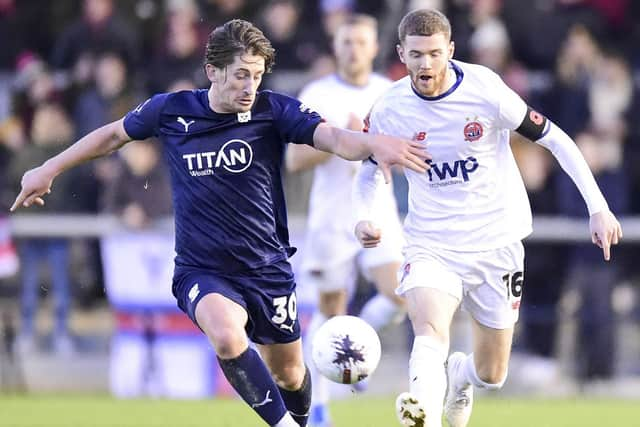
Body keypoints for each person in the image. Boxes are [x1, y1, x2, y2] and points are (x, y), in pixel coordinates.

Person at [10, 19, 428, 427]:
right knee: (228, 338)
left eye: (257, 76)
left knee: (290, 374)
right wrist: (49, 167)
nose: (250, 87)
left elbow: (334, 138)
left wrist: (375, 144)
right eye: (241, 75)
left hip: (267, 269)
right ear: (213, 70)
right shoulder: (172, 111)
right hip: (202, 268)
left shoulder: (273, 109)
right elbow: (112, 136)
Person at [352, 9, 623, 427]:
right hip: (432, 242)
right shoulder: (389, 107)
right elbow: (370, 168)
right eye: (417, 55)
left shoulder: (485, 90)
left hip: (497, 241)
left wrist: (598, 207)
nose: (426, 64)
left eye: (435, 53)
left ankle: (460, 376)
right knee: (429, 327)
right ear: (401, 54)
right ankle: (420, 410)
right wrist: (366, 215)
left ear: (451, 51)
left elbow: (556, 139)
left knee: (492, 374)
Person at [285, 14, 406, 427]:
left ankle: (359, 347)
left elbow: (407, 154)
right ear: (335, 47)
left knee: (402, 294)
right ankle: (317, 409)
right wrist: (342, 140)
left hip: (378, 212)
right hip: (332, 218)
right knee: (329, 312)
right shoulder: (318, 94)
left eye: (361, 42)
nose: (353, 49)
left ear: (375, 48)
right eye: (346, 42)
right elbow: (294, 158)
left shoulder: (389, 92)